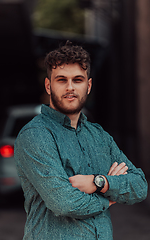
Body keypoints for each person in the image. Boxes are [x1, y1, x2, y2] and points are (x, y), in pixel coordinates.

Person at [14, 41, 148, 240]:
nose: (70, 88)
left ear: (89, 85)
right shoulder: (35, 135)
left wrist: (99, 182)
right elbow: (64, 202)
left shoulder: (99, 136)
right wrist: (109, 198)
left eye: (77, 80)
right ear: (48, 86)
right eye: (61, 80)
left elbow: (140, 186)